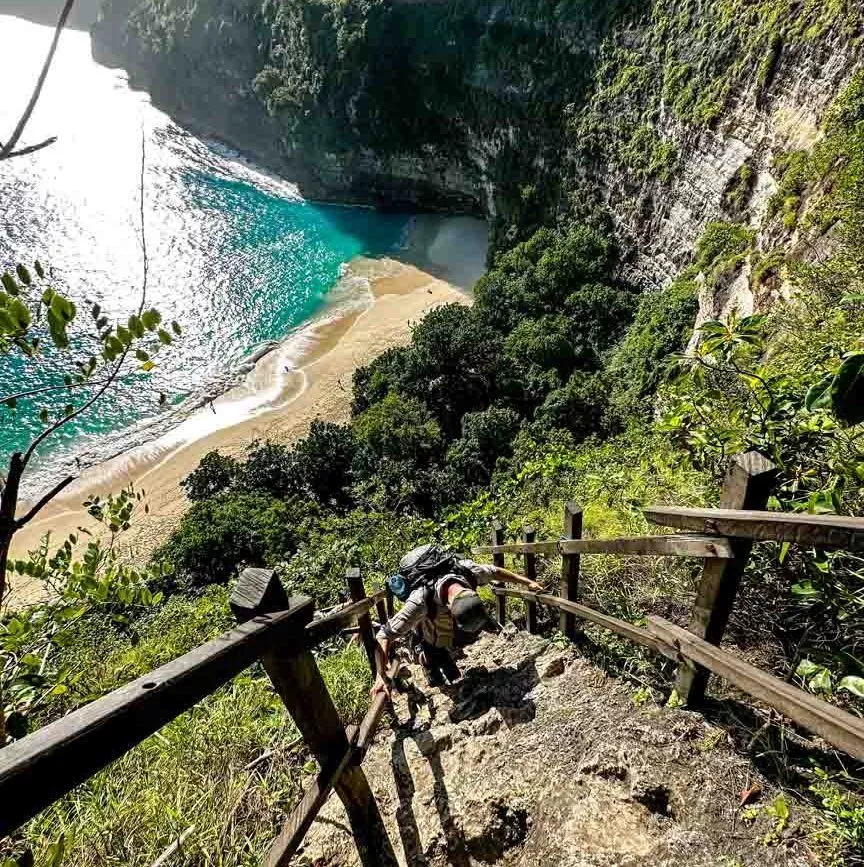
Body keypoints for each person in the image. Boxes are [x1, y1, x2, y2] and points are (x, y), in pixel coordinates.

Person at [371, 543, 542, 695]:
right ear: (449, 606)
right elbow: (384, 635)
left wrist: (528, 583)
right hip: (434, 636)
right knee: (437, 668)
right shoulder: (420, 599)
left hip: (454, 634)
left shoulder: (467, 571)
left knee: (453, 669)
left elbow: (495, 572)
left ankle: (446, 651)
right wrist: (380, 676)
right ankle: (425, 656)